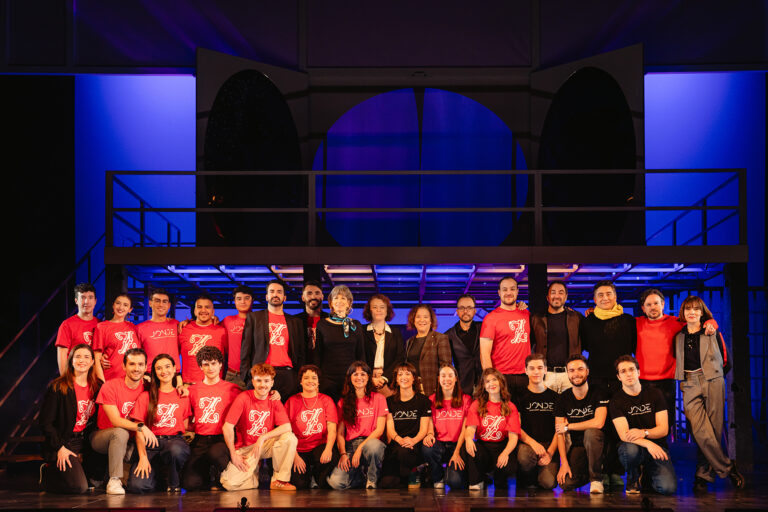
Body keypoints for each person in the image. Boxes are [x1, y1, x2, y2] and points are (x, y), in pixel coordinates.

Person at [674, 295, 744, 492]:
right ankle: (728, 467)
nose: (692, 312)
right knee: (699, 430)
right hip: (688, 382)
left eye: (696, 309)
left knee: (712, 429)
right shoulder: (678, 336)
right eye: (688, 309)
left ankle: (703, 474)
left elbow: (726, 360)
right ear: (683, 312)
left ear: (702, 312)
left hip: (712, 379)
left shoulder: (711, 332)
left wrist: (715, 376)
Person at [636, 288, 716, 433]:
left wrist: (711, 323)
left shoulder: (676, 322)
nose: (653, 307)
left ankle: (664, 453)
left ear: (663, 304)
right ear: (643, 308)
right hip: (642, 382)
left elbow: (701, 321)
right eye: (648, 304)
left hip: (667, 382)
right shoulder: (636, 323)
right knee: (645, 421)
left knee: (667, 421)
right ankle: (648, 454)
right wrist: (592, 312)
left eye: (656, 303)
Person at [580, 280, 636, 487]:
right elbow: (584, 347)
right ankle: (601, 471)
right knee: (601, 427)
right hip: (597, 381)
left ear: (615, 296)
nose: (605, 298)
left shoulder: (628, 321)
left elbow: (634, 348)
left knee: (621, 426)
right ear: (594, 299)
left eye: (609, 294)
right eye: (600, 295)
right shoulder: (587, 321)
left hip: (623, 381)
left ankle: (617, 471)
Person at [220, 363, 298, 491]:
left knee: (289, 438)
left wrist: (262, 438)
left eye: (266, 381)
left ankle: (279, 480)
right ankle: (254, 479)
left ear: (272, 383)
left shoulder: (274, 399)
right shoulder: (243, 398)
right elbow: (227, 427)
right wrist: (233, 453)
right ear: (253, 381)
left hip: (265, 444)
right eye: (259, 380)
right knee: (229, 484)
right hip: (247, 449)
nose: (263, 385)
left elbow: (286, 427)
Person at [39, 344, 101, 494]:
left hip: (85, 442)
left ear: (93, 361)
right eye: (77, 356)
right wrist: (59, 447)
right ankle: (48, 472)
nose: (82, 360)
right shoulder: (59, 386)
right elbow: (45, 423)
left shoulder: (98, 386)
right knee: (80, 487)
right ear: (71, 360)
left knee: (97, 485)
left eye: (86, 357)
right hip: (64, 442)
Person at [609, 355, 676, 495]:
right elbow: (624, 435)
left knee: (667, 488)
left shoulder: (655, 394)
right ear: (619, 377)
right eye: (623, 371)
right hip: (633, 446)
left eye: (631, 369)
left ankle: (646, 476)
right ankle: (633, 476)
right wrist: (648, 443)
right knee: (630, 450)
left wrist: (644, 432)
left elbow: (663, 429)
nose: (628, 374)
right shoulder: (616, 401)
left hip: (658, 446)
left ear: (638, 372)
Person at [90, 348, 154, 495]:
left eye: (140, 364)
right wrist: (141, 427)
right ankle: (114, 479)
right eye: (132, 364)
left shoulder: (148, 388)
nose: (136, 368)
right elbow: (115, 420)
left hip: (132, 442)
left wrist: (182, 387)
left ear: (145, 367)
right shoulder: (110, 386)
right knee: (120, 432)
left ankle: (114, 476)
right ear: (124, 366)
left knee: (133, 484)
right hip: (103, 437)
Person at [128, 354, 191, 493]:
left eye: (168, 367)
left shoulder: (182, 396)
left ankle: (174, 484)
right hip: (151, 444)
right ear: (154, 372)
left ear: (174, 369)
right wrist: (143, 458)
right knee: (138, 486)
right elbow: (139, 430)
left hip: (174, 441)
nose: (164, 371)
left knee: (175, 450)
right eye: (159, 368)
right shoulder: (146, 396)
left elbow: (185, 426)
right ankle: (159, 476)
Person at [182, 346, 242, 491]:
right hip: (201, 439)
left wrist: (273, 392)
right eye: (206, 364)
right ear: (200, 366)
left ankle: (219, 474)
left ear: (221, 364)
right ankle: (208, 474)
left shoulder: (233, 389)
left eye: (214, 363)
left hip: (222, 440)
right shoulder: (192, 390)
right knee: (190, 484)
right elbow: (187, 418)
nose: (210, 368)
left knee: (216, 454)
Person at [240, 280, 305, 401]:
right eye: (272, 291)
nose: (275, 294)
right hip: (261, 374)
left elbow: (301, 353)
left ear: (284, 297)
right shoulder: (254, 318)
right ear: (267, 296)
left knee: (285, 416)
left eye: (279, 292)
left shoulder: (295, 322)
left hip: (287, 375)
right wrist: (247, 375)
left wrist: (297, 378)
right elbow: (245, 349)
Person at [327, 361, 388, 490]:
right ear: (350, 378)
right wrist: (343, 454)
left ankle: (372, 479)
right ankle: (360, 477)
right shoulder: (343, 402)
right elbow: (340, 433)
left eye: (363, 374)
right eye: (355, 374)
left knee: (373, 447)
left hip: (371, 443)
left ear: (368, 377)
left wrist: (360, 448)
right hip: (350, 447)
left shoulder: (379, 398)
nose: (359, 377)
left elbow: (380, 429)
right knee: (336, 483)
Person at [554, 354, 608, 493]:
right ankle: (593, 473)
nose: (576, 374)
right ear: (567, 373)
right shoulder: (562, 398)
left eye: (580, 369)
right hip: (579, 446)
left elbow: (598, 423)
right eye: (571, 370)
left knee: (591, 432)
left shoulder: (599, 392)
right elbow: (560, 432)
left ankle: (596, 479)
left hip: (601, 444)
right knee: (565, 484)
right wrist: (564, 462)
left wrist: (569, 426)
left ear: (587, 371)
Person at [463, 367, 520, 491]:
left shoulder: (510, 406)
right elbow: (470, 429)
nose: (491, 384)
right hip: (484, 446)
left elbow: (513, 437)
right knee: (470, 448)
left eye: (494, 380)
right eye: (487, 381)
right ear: (483, 386)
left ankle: (497, 477)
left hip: (501, 446)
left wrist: (505, 453)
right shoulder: (477, 404)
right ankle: (477, 480)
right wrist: (468, 439)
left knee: (508, 469)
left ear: (501, 382)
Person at [285, 365, 339, 489]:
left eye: (314, 378)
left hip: (319, 446)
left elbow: (332, 429)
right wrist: (294, 456)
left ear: (319, 381)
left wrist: (328, 449)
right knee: (299, 485)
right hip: (298, 449)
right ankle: (307, 476)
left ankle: (317, 476)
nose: (310, 381)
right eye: (306, 378)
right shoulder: (292, 401)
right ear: (300, 381)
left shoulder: (326, 400)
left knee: (331, 459)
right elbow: (285, 432)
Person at [479, 276, 531, 403]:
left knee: (526, 419)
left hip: (525, 376)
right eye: (505, 289)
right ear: (499, 292)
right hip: (502, 377)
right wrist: (490, 379)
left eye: (512, 289)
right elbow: (484, 353)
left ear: (517, 291)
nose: (508, 293)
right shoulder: (490, 319)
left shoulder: (526, 314)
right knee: (504, 418)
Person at [379, 362, 431, 489]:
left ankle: (416, 470)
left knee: (405, 453)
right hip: (397, 443)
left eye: (408, 374)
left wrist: (413, 441)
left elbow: (424, 428)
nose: (404, 377)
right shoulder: (389, 401)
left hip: (415, 445)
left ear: (414, 378)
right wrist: (399, 440)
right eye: (400, 374)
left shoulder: (423, 400)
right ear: (396, 379)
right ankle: (411, 473)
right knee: (386, 483)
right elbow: (390, 428)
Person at [422, 364, 470, 490]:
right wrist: (430, 434)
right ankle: (437, 477)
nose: (446, 379)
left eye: (450, 375)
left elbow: (466, 429)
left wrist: (457, 451)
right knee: (427, 447)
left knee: (455, 483)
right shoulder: (431, 399)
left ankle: (452, 473)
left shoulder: (466, 399)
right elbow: (430, 420)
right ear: (438, 379)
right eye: (443, 376)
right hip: (440, 445)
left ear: (456, 379)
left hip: (458, 445)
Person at [314, 285, 366, 400]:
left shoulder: (356, 325)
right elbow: (317, 354)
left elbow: (361, 355)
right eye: (336, 298)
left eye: (343, 298)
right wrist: (317, 380)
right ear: (331, 303)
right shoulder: (322, 324)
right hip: (327, 380)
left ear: (349, 303)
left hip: (351, 379)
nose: (339, 301)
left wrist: (362, 377)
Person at [516, 354, 559, 490]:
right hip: (527, 444)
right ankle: (528, 476)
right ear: (526, 370)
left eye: (540, 368)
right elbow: (516, 427)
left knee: (548, 483)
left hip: (549, 445)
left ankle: (539, 475)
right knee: (524, 456)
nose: (536, 372)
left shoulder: (556, 397)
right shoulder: (519, 396)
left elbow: (560, 429)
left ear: (546, 370)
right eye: (532, 368)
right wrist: (532, 443)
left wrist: (550, 453)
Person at [531, 281, 582, 393]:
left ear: (566, 296)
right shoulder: (536, 319)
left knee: (570, 409)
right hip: (546, 375)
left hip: (570, 375)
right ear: (547, 297)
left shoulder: (576, 318)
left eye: (561, 292)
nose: (557, 296)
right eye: (553, 292)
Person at [404, 304, 451, 397]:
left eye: (425, 317)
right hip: (412, 389)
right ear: (413, 320)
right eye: (418, 317)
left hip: (432, 389)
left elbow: (446, 367)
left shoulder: (440, 338)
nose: (422, 320)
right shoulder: (410, 341)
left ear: (431, 320)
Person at [179, 294, 227, 385]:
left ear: (213, 312)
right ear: (195, 310)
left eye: (207, 307)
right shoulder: (183, 330)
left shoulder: (222, 331)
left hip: (214, 385)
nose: (203, 310)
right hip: (189, 386)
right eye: (199, 307)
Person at [362, 294, 404, 396]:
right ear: (369, 310)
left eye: (382, 307)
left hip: (389, 382)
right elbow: (359, 356)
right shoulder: (361, 331)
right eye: (374, 307)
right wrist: (370, 377)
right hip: (365, 381)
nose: (378, 310)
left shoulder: (396, 332)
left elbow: (400, 358)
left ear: (387, 310)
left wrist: (384, 377)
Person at [93, 294, 139, 382]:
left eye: (125, 305)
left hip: (132, 380)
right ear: (113, 305)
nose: (121, 307)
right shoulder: (102, 327)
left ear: (130, 309)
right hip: (111, 379)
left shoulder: (133, 327)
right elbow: (97, 360)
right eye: (118, 303)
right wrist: (102, 384)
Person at [56, 283, 99, 375]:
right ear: (76, 301)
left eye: (90, 297)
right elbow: (62, 356)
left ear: (95, 301)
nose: (87, 301)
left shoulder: (100, 325)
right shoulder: (67, 325)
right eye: (83, 297)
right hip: (74, 376)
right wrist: (66, 381)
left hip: (94, 377)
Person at [444, 294, 482, 396]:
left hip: (485, 383)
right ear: (457, 311)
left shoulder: (483, 328)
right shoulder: (448, 335)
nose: (465, 311)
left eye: (469, 308)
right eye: (462, 308)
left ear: (474, 311)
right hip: (463, 385)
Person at [136, 288, 180, 369]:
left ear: (169, 305)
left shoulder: (176, 325)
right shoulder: (140, 328)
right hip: (150, 375)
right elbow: (136, 355)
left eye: (164, 301)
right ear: (150, 303)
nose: (161, 305)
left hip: (173, 375)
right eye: (157, 301)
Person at [221, 285, 253, 389]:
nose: (243, 302)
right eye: (239, 299)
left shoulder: (259, 320)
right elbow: (208, 326)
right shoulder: (227, 321)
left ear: (253, 300)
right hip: (232, 375)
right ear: (234, 301)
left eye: (246, 298)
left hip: (253, 375)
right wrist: (187, 322)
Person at [295, 280, 328, 359]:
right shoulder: (295, 321)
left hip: (325, 364)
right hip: (302, 365)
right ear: (303, 297)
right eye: (309, 293)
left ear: (322, 297)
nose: (313, 297)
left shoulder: (329, 319)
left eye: (317, 293)